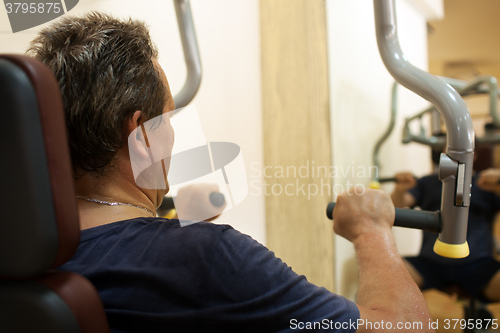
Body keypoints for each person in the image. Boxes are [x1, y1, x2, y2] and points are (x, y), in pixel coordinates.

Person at [28, 12, 433, 332]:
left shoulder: (23, 249)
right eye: (166, 123)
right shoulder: (210, 256)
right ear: (142, 138)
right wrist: (371, 231)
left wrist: (169, 223)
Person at [392, 167, 500, 302]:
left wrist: (498, 183)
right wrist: (400, 189)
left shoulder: (485, 184)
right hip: (430, 264)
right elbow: (396, 207)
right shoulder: (427, 182)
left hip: (478, 265)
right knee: (388, 273)